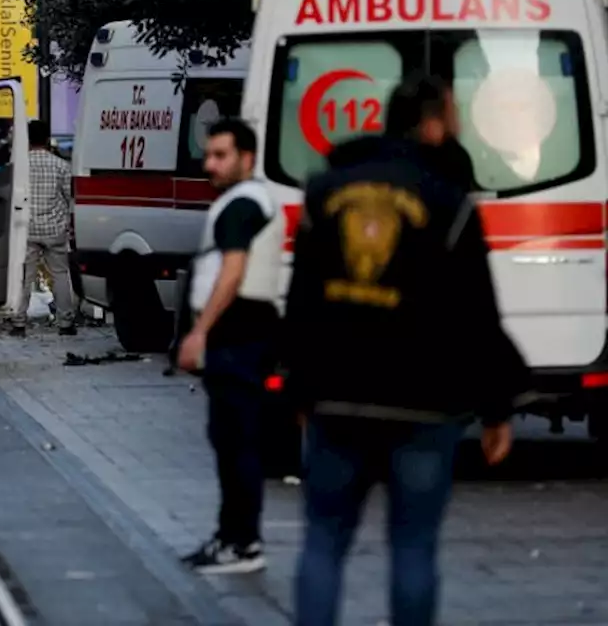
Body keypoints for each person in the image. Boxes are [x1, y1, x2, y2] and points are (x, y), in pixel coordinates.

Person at [285, 74, 528, 626]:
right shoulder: (450, 202)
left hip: (336, 398)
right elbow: (478, 315)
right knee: (414, 548)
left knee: (323, 541)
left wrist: (298, 388)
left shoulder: (326, 191)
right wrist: (497, 408)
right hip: (424, 404)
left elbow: (302, 302)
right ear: (436, 123)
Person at [177, 118, 284, 574]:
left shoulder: (242, 205)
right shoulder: (249, 200)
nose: (210, 165)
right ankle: (232, 537)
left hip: (239, 335)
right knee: (231, 439)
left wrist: (201, 331)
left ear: (247, 158)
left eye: (221, 155)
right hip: (243, 334)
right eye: (209, 155)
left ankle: (241, 543)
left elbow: (233, 270)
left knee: (236, 441)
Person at [11, 119, 77, 337]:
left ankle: (18, 322)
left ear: (27, 140)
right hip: (54, 229)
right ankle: (65, 323)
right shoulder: (61, 166)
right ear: (47, 139)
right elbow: (70, 199)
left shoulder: (19, 166)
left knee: (24, 277)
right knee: (60, 274)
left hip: (26, 229)